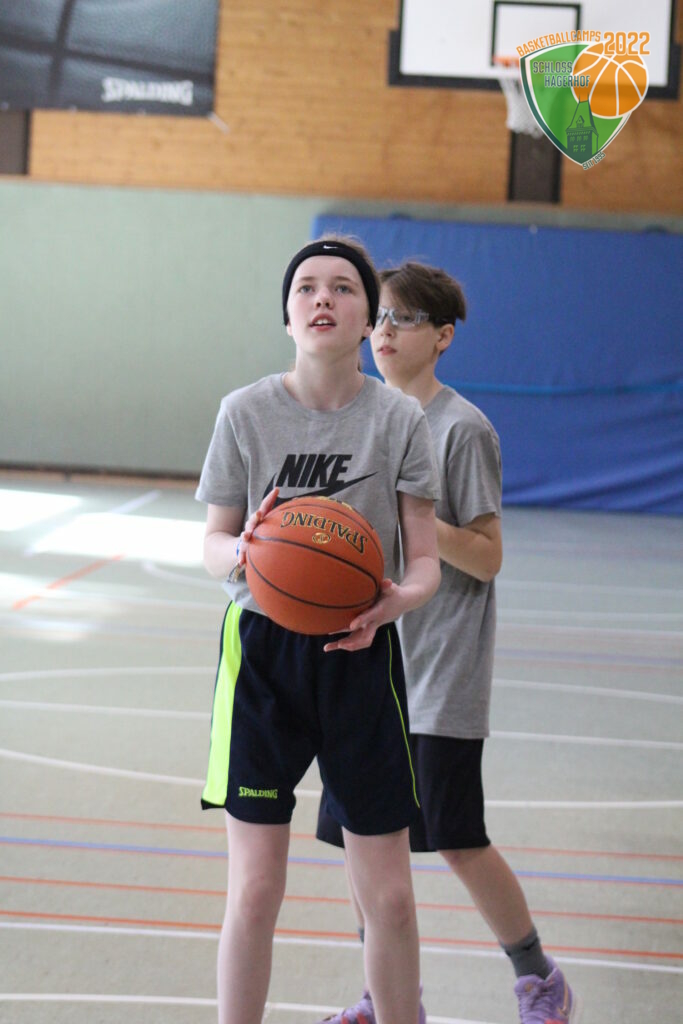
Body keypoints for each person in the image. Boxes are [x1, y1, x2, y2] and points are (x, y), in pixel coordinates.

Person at [315, 261, 582, 1024]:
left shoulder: (461, 430)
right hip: (364, 667)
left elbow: (488, 557)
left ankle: (539, 978)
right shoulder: (357, 419)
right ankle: (385, 996)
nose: (384, 332)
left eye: (402, 319)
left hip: (438, 675)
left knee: (458, 839)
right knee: (361, 842)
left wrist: (414, 522)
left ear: (442, 337)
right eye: (379, 317)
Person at [195, 239, 442, 1024]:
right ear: (287, 315)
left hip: (361, 653)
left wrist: (395, 601)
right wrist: (244, 551)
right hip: (263, 657)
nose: (322, 298)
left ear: (369, 319)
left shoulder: (399, 419)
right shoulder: (244, 412)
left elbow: (426, 562)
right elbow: (212, 544)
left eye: (342, 287)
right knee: (255, 890)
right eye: (305, 287)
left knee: (390, 898)